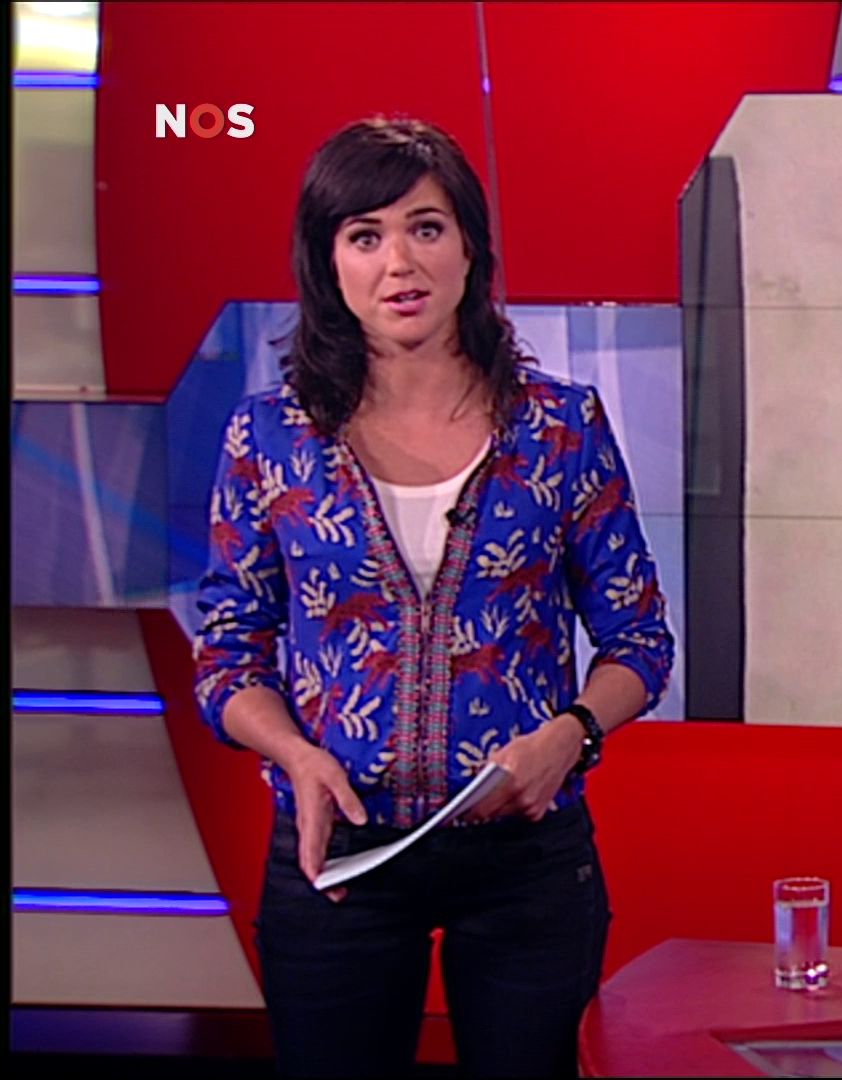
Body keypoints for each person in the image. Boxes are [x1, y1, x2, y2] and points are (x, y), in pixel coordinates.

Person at [192, 116, 673, 1077]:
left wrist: (571, 734)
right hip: (338, 853)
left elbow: (639, 641)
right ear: (328, 262)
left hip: (526, 858)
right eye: (364, 235)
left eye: (425, 227)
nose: (398, 263)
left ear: (469, 248)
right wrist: (294, 754)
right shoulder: (269, 439)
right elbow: (227, 655)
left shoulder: (559, 427)